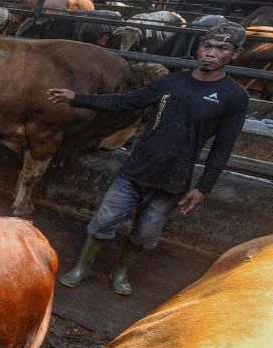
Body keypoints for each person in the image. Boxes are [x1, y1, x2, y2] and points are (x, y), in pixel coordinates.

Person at [46, 21, 249, 296]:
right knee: (104, 221)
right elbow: (126, 102)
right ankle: (83, 267)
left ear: (235, 54)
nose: (211, 53)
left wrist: (204, 187)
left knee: (145, 235)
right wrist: (77, 98)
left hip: (172, 180)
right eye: (207, 46)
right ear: (199, 48)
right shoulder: (171, 82)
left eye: (222, 48)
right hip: (135, 169)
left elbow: (222, 147)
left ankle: (120, 272)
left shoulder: (234, 97)